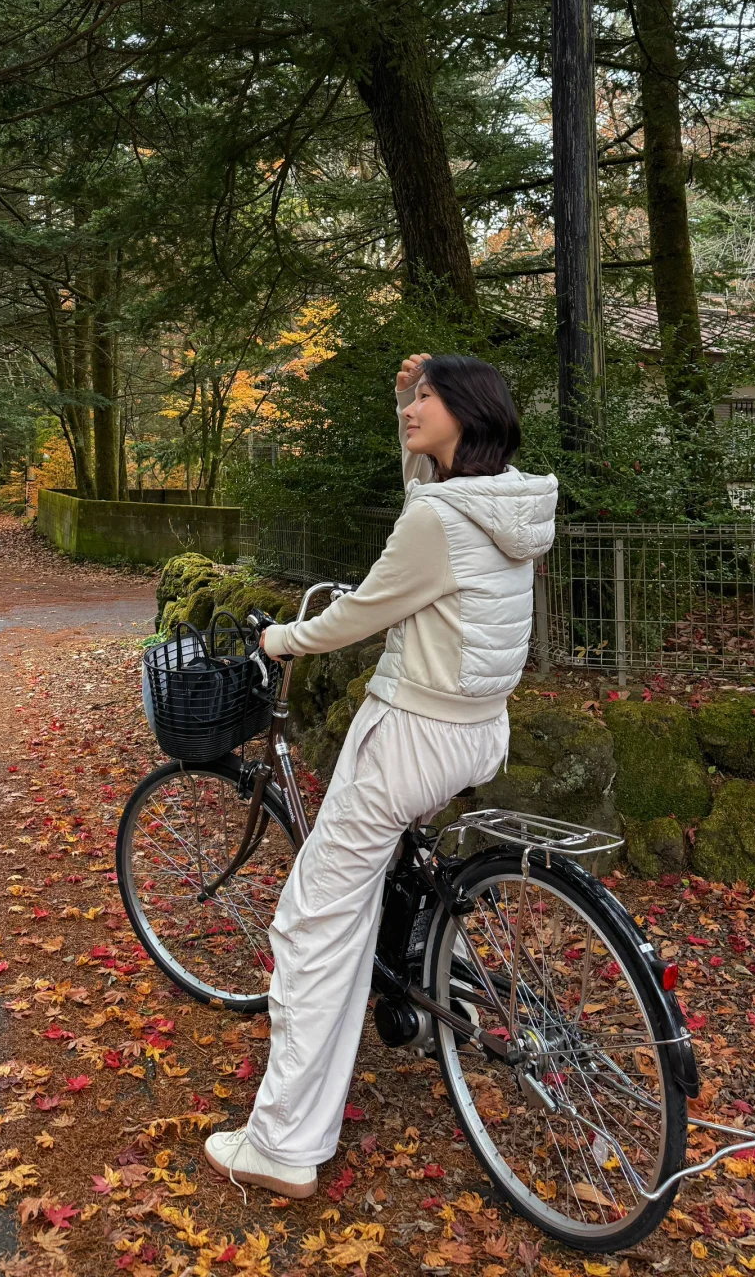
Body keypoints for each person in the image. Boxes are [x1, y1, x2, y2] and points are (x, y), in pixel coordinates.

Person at [204, 352, 558, 1199]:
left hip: (411, 735)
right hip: (478, 732)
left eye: (426, 399)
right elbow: (424, 506)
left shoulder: (442, 518)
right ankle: (446, 984)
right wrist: (402, 398)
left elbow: (363, 608)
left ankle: (284, 1144)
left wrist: (278, 642)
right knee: (398, 871)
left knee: (311, 923)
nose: (412, 409)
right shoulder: (506, 501)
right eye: (413, 397)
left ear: (465, 411)